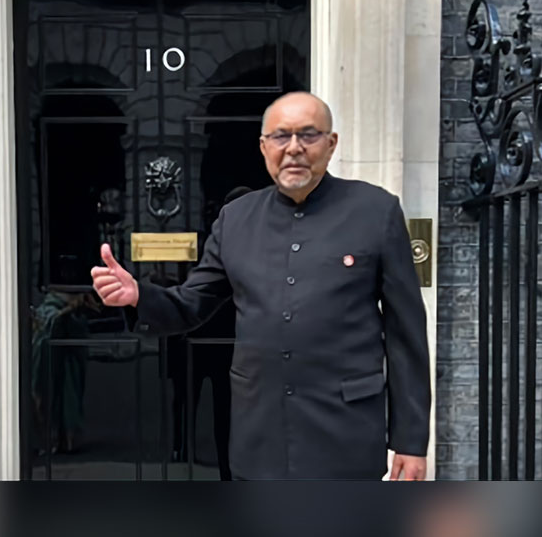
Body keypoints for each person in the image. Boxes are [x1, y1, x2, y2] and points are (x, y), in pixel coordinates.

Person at [91, 92, 431, 480]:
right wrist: (139, 296)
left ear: (331, 143)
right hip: (259, 433)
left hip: (346, 433)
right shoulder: (235, 219)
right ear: (263, 146)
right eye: (281, 136)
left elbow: (406, 335)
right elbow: (191, 304)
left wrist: (410, 440)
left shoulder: (377, 211)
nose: (294, 148)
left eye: (308, 135)